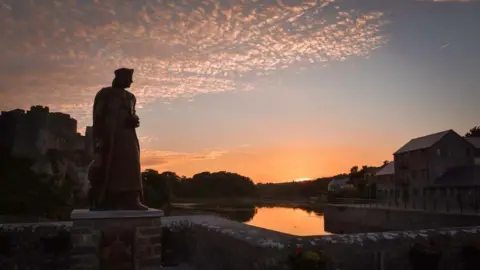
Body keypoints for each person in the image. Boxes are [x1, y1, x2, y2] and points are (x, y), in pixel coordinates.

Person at [88, 68, 148, 210]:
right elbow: (98, 115)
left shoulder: (131, 97)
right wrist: (99, 137)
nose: (131, 81)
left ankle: (132, 198)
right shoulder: (105, 94)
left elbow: (132, 114)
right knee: (109, 164)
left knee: (132, 162)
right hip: (110, 134)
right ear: (119, 77)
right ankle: (106, 199)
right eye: (128, 78)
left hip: (128, 134)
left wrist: (134, 120)